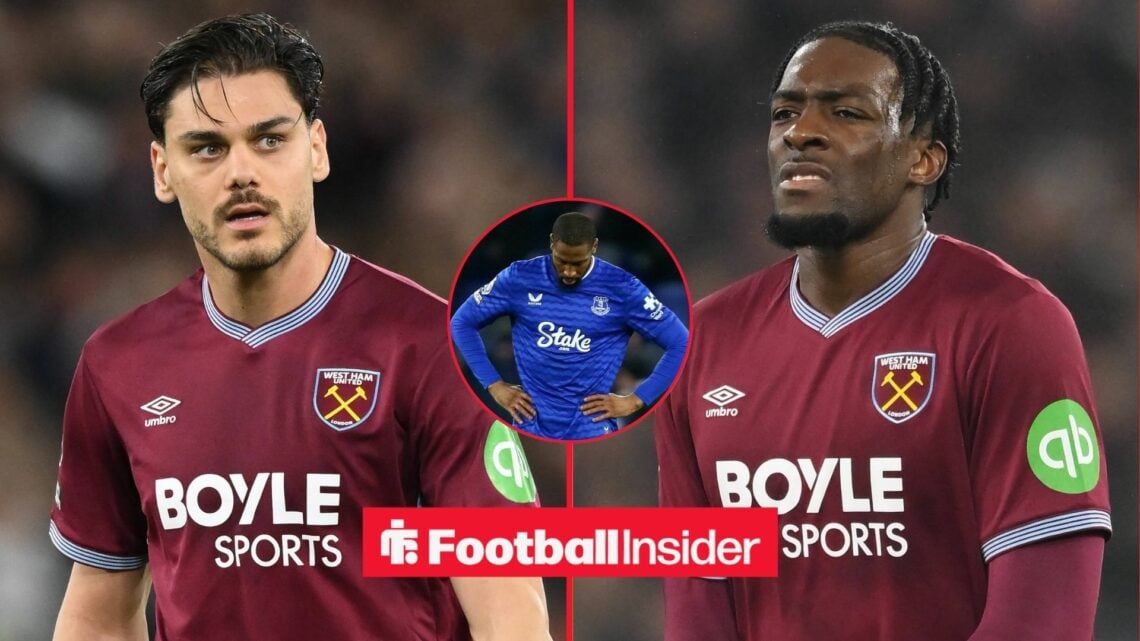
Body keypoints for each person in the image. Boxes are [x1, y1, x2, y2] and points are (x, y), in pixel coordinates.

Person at [49, 14, 550, 641]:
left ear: (316, 149)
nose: (241, 173)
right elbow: (97, 617)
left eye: (269, 140)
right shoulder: (117, 365)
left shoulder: (428, 347)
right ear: (161, 170)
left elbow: (511, 608)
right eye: (206, 147)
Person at [655, 20, 1111, 641]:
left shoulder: (1010, 324)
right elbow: (698, 608)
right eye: (785, 112)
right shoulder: (702, 343)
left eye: (846, 112)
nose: (801, 133)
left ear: (922, 160)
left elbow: (1044, 617)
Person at [450, 212, 689, 440]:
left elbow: (681, 342)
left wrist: (637, 399)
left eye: (578, 263)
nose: (569, 271)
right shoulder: (520, 277)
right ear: (552, 243)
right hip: (529, 427)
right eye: (562, 261)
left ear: (594, 248)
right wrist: (494, 384)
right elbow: (461, 322)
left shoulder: (622, 287)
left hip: (592, 431)